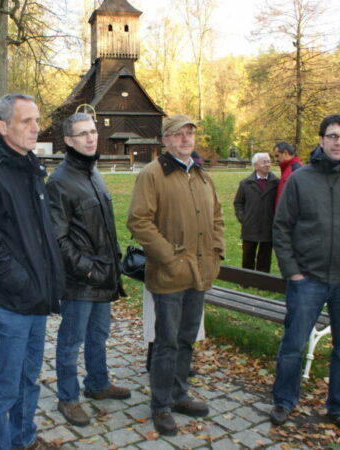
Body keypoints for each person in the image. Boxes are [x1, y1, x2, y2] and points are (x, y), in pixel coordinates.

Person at [0, 93, 65, 450]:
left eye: (37, 120)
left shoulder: (30, 168)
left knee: (29, 382)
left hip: (34, 301)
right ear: (3, 127)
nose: (36, 127)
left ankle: (24, 440)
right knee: (3, 389)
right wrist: (25, 284)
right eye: (26, 121)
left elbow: (39, 234)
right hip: (8, 304)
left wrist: (47, 282)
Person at [270, 114, 340, 434]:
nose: (338, 141)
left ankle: (339, 407)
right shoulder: (302, 178)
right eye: (332, 135)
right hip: (307, 279)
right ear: (321, 139)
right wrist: (293, 273)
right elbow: (282, 227)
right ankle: (284, 400)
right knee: (293, 344)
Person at [127, 115, 224, 436]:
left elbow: (217, 217)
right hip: (169, 276)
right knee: (167, 342)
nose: (185, 139)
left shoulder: (201, 175)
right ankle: (161, 405)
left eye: (189, 134)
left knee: (186, 339)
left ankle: (180, 394)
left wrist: (216, 253)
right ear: (164, 140)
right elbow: (139, 221)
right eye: (177, 135)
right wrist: (170, 258)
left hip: (200, 274)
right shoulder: (152, 175)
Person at [45, 113, 130, 427]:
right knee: (71, 342)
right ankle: (68, 397)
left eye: (93, 131)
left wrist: (112, 265)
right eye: (81, 134)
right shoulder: (59, 181)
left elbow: (104, 227)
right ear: (68, 141)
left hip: (104, 274)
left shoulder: (94, 173)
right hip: (80, 280)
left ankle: (97, 384)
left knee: (99, 335)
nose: (90, 138)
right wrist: (88, 270)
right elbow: (57, 238)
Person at [233, 152, 279, 273]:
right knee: (248, 255)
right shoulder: (245, 183)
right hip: (250, 226)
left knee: (265, 256)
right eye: (264, 162)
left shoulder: (276, 183)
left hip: (268, 225)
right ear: (255, 165)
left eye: (269, 161)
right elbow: (238, 203)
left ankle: (262, 282)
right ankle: (246, 281)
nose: (268, 164)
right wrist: (243, 218)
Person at [273, 141, 302, 206]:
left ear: (285, 153)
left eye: (277, 155)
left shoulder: (296, 169)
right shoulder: (287, 168)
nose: (276, 159)